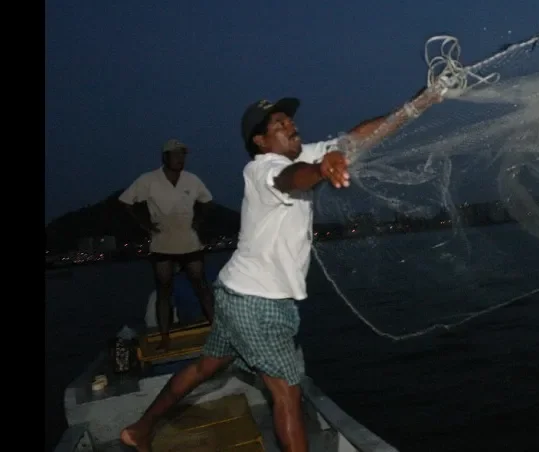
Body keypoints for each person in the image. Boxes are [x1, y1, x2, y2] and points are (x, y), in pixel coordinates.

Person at [120, 89, 442, 451]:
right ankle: (142, 428)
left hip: (235, 293)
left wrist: (422, 101)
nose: (290, 124)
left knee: (203, 368)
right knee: (286, 394)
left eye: (289, 119)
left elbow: (356, 138)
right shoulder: (262, 169)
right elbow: (291, 179)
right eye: (278, 123)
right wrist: (322, 169)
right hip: (258, 304)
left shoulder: (300, 155)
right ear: (260, 140)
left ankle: (141, 428)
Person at [119, 139, 216, 350]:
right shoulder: (149, 180)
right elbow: (126, 201)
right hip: (162, 244)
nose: (180, 159)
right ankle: (164, 337)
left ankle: (219, 331)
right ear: (165, 157)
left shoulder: (192, 180)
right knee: (163, 290)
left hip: (189, 242)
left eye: (183, 155)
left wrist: (198, 221)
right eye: (175, 155)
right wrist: (145, 224)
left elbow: (207, 201)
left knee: (202, 287)